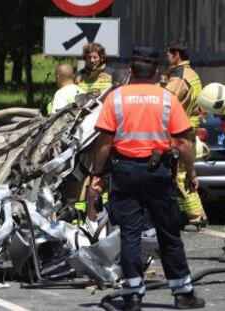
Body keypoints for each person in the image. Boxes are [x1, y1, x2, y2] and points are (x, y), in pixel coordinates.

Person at [88, 46, 205, 311]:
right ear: (155, 72)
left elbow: (105, 142)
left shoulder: (116, 98)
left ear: (130, 70)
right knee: (168, 232)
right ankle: (183, 293)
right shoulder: (167, 99)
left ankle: (132, 295)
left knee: (129, 234)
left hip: (125, 173)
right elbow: (184, 144)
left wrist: (96, 175)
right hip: (158, 173)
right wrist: (191, 173)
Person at [162, 39, 207, 227]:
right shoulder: (192, 73)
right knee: (179, 173)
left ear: (176, 55)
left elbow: (164, 100)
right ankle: (184, 214)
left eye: (168, 54)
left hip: (181, 129)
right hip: (189, 127)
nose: (166, 57)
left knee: (180, 173)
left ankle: (196, 216)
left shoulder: (179, 77)